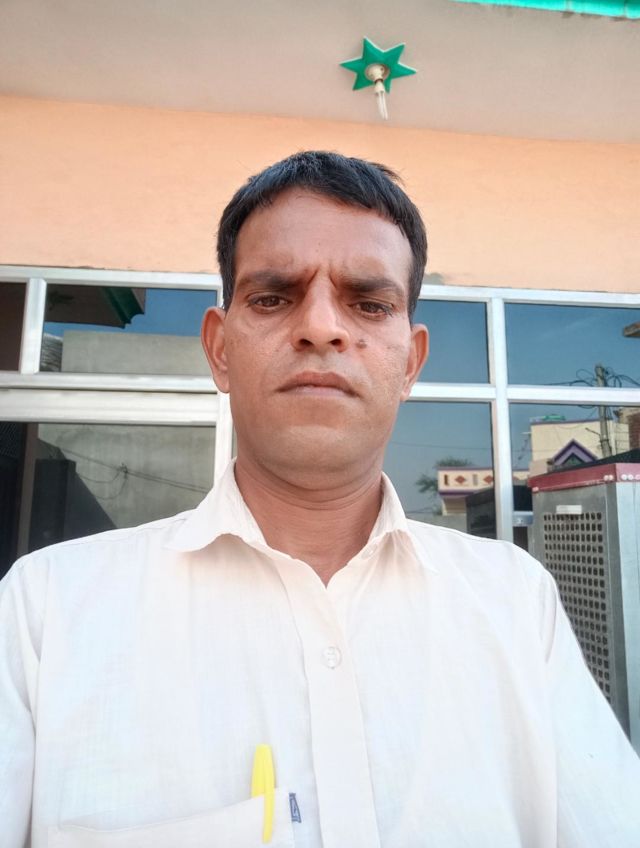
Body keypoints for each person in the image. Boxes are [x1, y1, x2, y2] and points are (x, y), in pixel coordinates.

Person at [1, 151, 639, 848]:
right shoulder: (44, 612)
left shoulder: (515, 602)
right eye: (274, 297)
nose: (322, 327)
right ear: (219, 349)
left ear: (410, 362)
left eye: (369, 303)